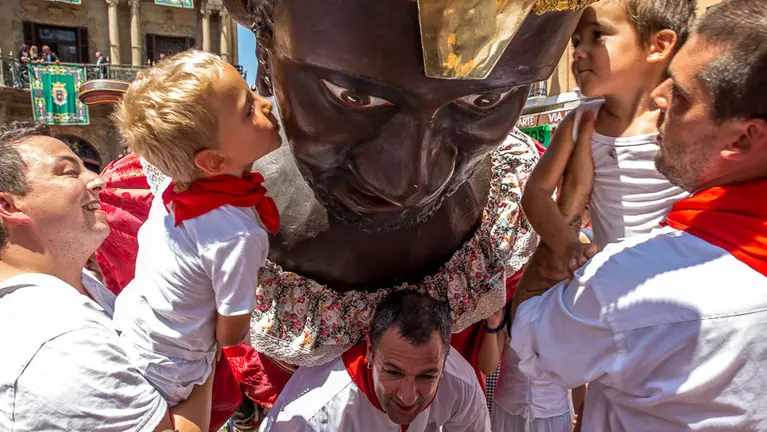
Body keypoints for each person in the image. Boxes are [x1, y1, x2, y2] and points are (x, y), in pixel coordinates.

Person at [87, 0, 596, 427]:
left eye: (486, 100)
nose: (410, 181)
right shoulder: (157, 212)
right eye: (354, 96)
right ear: (266, 50)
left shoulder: (516, 200)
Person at [511, 0, 767, 430]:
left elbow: (538, 341)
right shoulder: (585, 122)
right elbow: (535, 193)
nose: (662, 96)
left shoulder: (629, 285)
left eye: (681, 95)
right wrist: (571, 243)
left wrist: (571, 211)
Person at [0, 121, 214, 431]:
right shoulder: (58, 341)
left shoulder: (81, 286)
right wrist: (200, 330)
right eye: (68, 172)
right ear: (8, 204)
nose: (97, 180)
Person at [112, 49, 281, 409]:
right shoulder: (237, 236)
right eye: (248, 109)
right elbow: (231, 332)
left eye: (253, 90)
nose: (265, 102)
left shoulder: (175, 191)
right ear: (214, 160)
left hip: (133, 328)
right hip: (173, 368)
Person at [522, 0, 695, 276]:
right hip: (614, 278)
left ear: (658, 45)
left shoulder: (687, 122)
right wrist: (568, 246)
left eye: (597, 35)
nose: (578, 53)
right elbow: (536, 193)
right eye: (575, 42)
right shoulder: (579, 122)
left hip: (682, 276)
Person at [261, 290, 491, 431]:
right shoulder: (314, 417)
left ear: (446, 357)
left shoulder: (461, 383)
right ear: (370, 351)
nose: (408, 396)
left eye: (427, 376)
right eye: (393, 372)